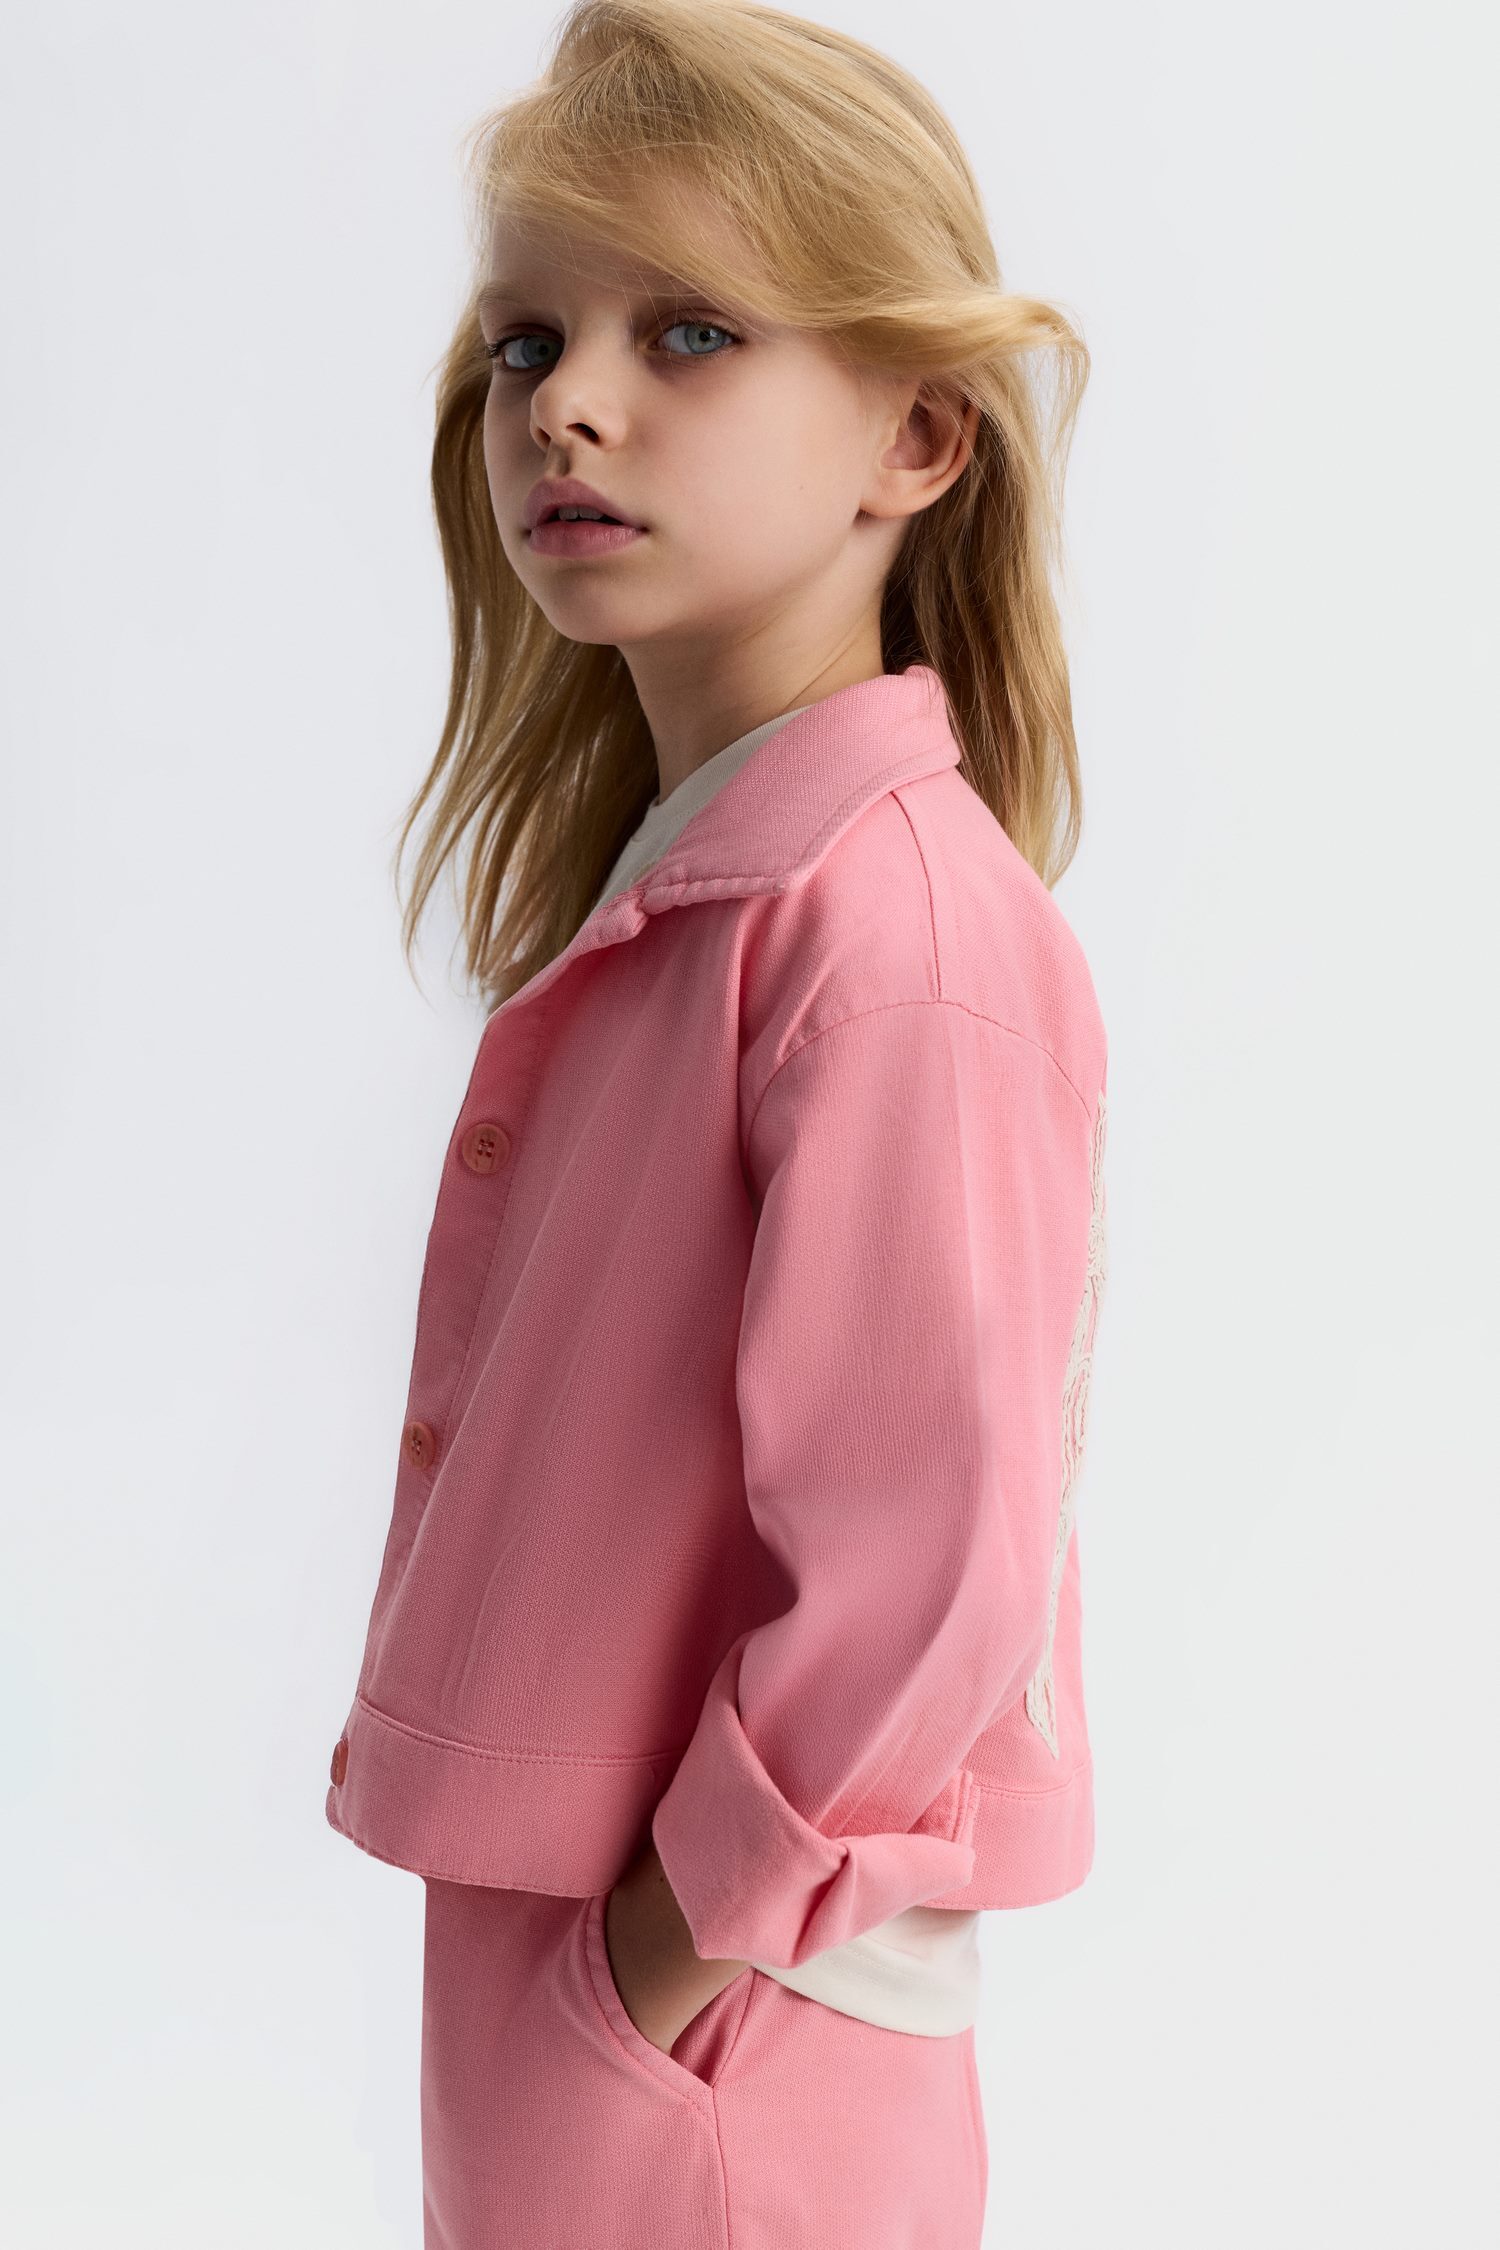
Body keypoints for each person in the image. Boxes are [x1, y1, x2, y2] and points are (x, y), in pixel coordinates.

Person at [324, 2, 1110, 2242]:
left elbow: (934, 1561)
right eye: (527, 340)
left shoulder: (894, 937)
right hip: (600, 1976)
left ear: (919, 436)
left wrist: (669, 1952)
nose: (567, 402)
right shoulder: (702, 893)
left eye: (688, 332)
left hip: (721, 2012)